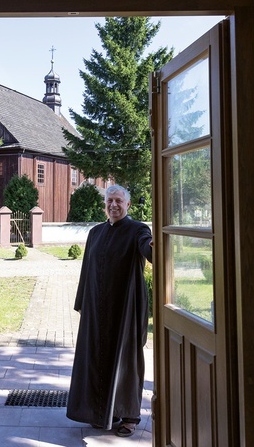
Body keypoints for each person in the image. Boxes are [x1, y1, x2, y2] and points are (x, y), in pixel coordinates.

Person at [66, 184, 153, 438]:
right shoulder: (95, 233)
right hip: (96, 306)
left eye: (118, 201)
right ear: (105, 204)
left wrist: (155, 244)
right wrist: (82, 302)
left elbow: (147, 248)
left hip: (125, 309)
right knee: (97, 357)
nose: (113, 205)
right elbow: (86, 270)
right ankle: (104, 412)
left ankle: (129, 417)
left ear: (127, 205)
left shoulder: (138, 230)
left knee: (126, 361)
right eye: (109, 201)